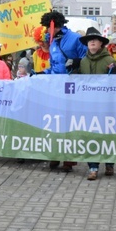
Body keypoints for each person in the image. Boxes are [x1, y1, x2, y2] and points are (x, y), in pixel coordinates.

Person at [40, 10, 88, 172]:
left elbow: (87, 58)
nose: (46, 30)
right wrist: (41, 74)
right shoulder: (53, 42)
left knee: (70, 123)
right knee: (55, 121)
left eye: (48, 27)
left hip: (72, 86)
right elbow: (55, 66)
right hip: (56, 87)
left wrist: (77, 62)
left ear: (54, 25)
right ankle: (55, 154)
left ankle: (69, 159)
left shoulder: (75, 38)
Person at [78, 27, 116, 180]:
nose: (92, 42)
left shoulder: (109, 60)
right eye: (89, 40)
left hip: (106, 105)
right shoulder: (83, 61)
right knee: (91, 136)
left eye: (95, 39)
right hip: (89, 106)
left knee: (107, 135)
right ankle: (93, 167)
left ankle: (109, 163)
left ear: (101, 43)